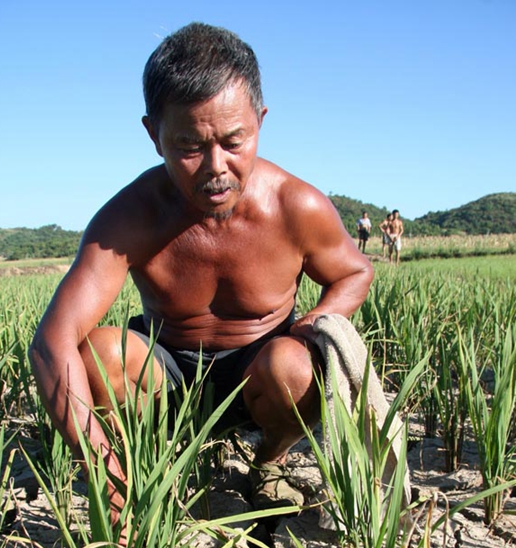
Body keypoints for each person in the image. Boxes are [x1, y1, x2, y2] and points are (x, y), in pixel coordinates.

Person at [29, 22, 373, 520]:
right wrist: (101, 467)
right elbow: (53, 340)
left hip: (259, 371)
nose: (216, 166)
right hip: (167, 376)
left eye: (235, 141)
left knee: (295, 366)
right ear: (154, 135)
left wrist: (314, 322)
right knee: (103, 353)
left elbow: (354, 272)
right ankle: (144, 467)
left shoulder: (296, 206)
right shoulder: (130, 218)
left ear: (260, 120)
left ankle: (270, 460)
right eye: (189, 146)